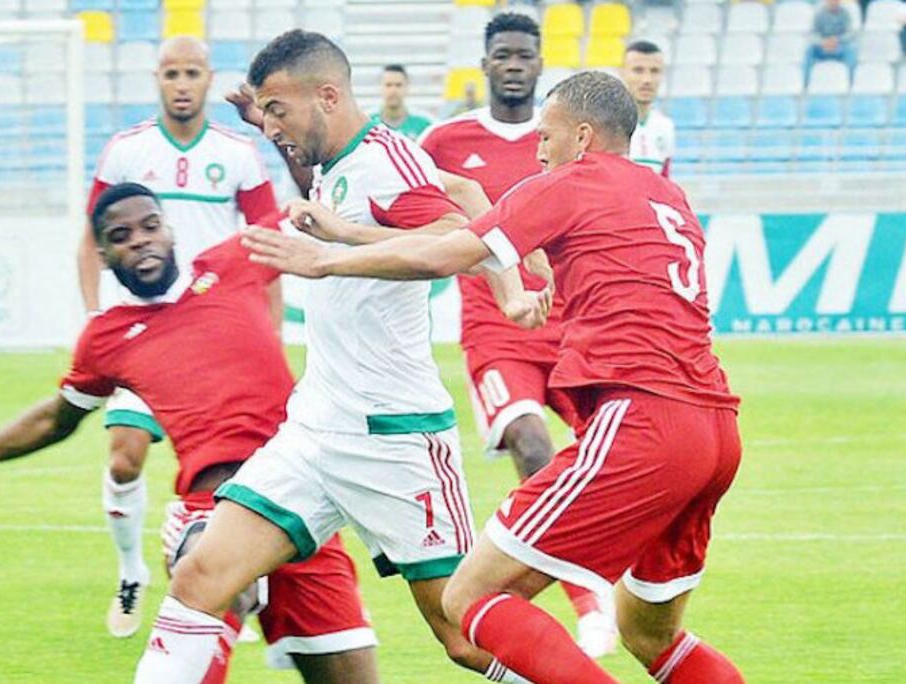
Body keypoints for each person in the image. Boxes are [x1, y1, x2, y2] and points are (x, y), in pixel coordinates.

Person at [243, 70, 745, 684]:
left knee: (469, 598)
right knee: (648, 632)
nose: (537, 149)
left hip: (642, 422)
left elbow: (446, 252)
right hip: (716, 431)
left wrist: (326, 260)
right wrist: (346, 228)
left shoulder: (570, 181)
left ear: (582, 137)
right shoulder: (666, 195)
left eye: (548, 136)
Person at [131, 30, 532, 684]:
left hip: (396, 440)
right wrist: (267, 126)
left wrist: (335, 251)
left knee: (463, 636)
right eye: (266, 112)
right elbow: (463, 194)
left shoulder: (385, 163)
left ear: (326, 96)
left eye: (279, 110)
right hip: (315, 433)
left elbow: (458, 238)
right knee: (200, 574)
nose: (273, 125)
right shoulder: (339, 158)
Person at [0, 184, 380, 683]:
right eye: (121, 236)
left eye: (149, 226)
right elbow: (53, 420)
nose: (140, 241)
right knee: (217, 577)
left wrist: (286, 131)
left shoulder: (232, 261)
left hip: (303, 511)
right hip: (215, 508)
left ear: (168, 229)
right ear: (102, 255)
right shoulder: (107, 338)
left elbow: (311, 205)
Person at [418, 12, 617, 658]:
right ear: (484, 63)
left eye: (523, 54)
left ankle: (612, 582)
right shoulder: (445, 140)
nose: (512, 63)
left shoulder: (564, 140)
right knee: (530, 442)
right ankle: (590, 606)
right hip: (496, 331)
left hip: (575, 327)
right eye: (501, 53)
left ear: (538, 64)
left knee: (609, 460)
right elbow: (414, 210)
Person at [74, 37, 285, 639]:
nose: (182, 84)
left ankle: (247, 575)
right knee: (122, 457)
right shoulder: (126, 151)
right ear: (157, 79)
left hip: (218, 333)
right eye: (172, 73)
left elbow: (266, 241)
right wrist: (96, 316)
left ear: (208, 77)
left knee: (240, 472)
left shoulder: (238, 153)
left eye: (193, 73)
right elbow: (89, 237)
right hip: (143, 335)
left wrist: (264, 334)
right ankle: (131, 568)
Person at [621, 41, 676, 177]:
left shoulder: (665, 127)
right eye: (638, 70)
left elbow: (664, 181)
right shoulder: (606, 125)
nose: (647, 80)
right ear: (623, 73)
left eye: (654, 71)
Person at [372, 64, 434, 139]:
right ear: (380, 87)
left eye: (398, 85)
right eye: (388, 85)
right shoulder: (367, 123)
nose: (393, 90)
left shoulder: (424, 124)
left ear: (407, 87)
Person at [804, 0, 858, 83]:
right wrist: (822, 42)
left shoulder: (845, 14)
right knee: (809, 50)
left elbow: (850, 33)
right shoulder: (820, 14)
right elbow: (812, 34)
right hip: (823, 46)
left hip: (839, 46)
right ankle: (806, 82)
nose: (834, 2)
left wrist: (837, 40)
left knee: (851, 50)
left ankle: (851, 81)